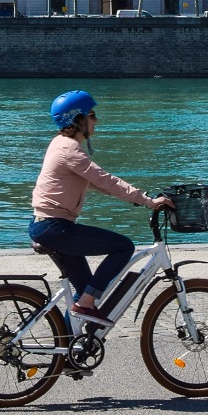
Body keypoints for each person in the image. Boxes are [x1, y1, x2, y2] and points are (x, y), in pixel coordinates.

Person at [30, 90, 172, 324]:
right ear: (78, 119)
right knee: (123, 247)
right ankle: (86, 304)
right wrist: (147, 201)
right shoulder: (69, 149)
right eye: (92, 115)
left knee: (86, 289)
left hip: (47, 225)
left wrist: (139, 199)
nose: (96, 120)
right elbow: (105, 179)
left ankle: (68, 350)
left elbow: (98, 185)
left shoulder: (60, 144)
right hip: (55, 228)